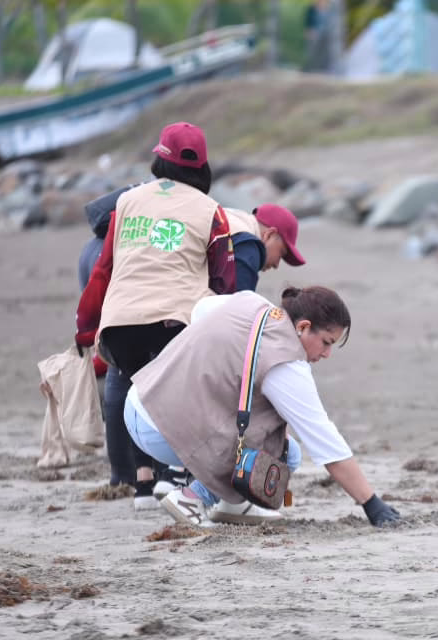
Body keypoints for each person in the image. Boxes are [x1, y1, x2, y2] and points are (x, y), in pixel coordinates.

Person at [123, 286, 402, 528]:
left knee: (261, 424)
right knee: (284, 451)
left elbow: (201, 310)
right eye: (326, 343)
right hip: (161, 433)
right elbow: (325, 441)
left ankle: (231, 504)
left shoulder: (251, 302)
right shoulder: (287, 365)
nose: (327, 354)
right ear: (303, 327)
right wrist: (371, 503)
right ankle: (192, 498)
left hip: (139, 399)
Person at [75, 121, 236, 510]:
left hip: (120, 323)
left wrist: (86, 324)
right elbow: (224, 280)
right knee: (180, 395)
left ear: (158, 159)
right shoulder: (212, 211)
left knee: (135, 387)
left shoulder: (127, 202)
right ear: (202, 167)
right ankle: (177, 478)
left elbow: (103, 268)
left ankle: (144, 484)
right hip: (173, 322)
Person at [224, 203, 306, 292]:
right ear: (269, 235)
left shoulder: (228, 216)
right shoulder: (247, 247)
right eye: (281, 253)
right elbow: (238, 303)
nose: (276, 265)